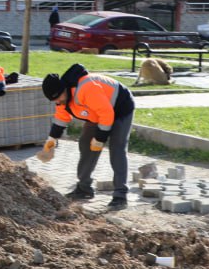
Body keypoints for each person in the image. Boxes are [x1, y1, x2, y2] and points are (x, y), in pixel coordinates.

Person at [36, 63, 136, 208]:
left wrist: (100, 138)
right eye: (54, 100)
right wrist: (50, 142)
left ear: (64, 89)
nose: (57, 102)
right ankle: (84, 188)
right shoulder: (62, 99)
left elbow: (107, 114)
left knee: (117, 149)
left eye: (58, 98)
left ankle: (120, 196)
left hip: (121, 107)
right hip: (97, 113)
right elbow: (61, 119)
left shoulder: (87, 89)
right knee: (85, 144)